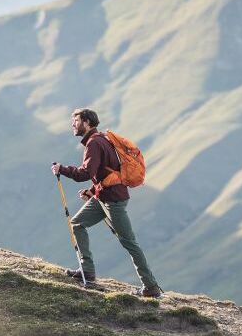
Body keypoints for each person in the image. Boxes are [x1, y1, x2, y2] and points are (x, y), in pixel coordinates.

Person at [52, 108, 163, 297]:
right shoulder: (101, 139)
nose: (73, 124)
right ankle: (87, 271)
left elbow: (85, 174)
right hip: (104, 196)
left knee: (129, 242)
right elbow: (106, 173)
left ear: (86, 123)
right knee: (77, 223)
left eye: (76, 121)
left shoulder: (94, 143)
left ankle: (151, 287)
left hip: (114, 201)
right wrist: (93, 191)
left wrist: (62, 169)